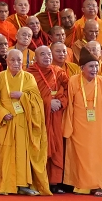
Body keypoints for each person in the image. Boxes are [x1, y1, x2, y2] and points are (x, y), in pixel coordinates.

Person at [0, 49, 50, 196]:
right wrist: (2, 113)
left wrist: (22, 96)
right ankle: (6, 185)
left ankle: (23, 185)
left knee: (23, 154)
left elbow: (37, 100)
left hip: (24, 122)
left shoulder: (28, 77)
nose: (16, 63)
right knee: (5, 153)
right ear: (7, 60)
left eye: (19, 60)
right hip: (6, 122)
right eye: (13, 60)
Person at [63, 51, 102, 196]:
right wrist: (68, 127)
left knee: (97, 156)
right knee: (80, 156)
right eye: (91, 66)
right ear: (82, 68)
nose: (94, 69)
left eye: (96, 66)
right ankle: (81, 185)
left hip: (97, 126)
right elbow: (69, 106)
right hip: (78, 125)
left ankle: (99, 185)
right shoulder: (73, 81)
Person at [30, 45, 68, 192]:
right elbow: (29, 96)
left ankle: (55, 182)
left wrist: (60, 101)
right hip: (39, 116)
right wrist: (47, 103)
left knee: (57, 146)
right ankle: (40, 181)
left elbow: (68, 89)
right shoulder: (30, 73)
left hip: (56, 114)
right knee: (41, 146)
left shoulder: (58, 72)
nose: (47, 57)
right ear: (36, 58)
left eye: (48, 54)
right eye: (43, 55)